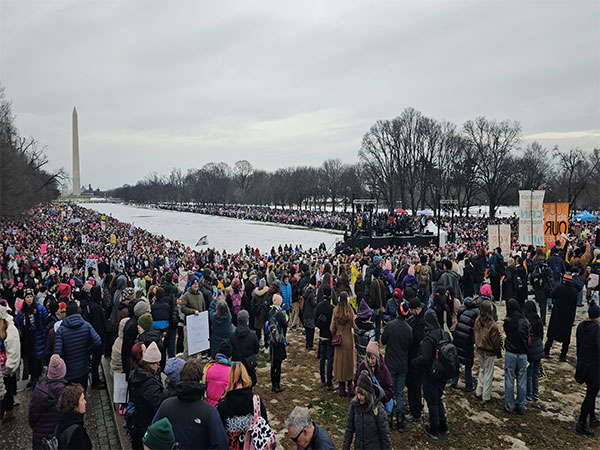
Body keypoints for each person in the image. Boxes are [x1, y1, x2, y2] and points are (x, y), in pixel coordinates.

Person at [152, 358, 228, 449]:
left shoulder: (166, 406)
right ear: (200, 380)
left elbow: (152, 436)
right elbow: (221, 444)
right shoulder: (209, 412)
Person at [412, 309, 450, 440]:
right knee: (438, 398)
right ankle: (443, 424)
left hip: (432, 373)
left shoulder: (429, 338)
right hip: (444, 372)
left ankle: (434, 428)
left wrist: (414, 362)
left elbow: (425, 358)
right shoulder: (444, 334)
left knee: (432, 401)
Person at [217, 362, 270, 450]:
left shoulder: (222, 406)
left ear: (230, 379)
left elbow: (219, 434)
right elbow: (265, 424)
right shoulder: (256, 401)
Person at [54, 301, 101, 391]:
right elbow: (98, 341)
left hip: (68, 371)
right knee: (82, 393)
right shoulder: (86, 326)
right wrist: (88, 350)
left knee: (70, 397)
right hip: (83, 368)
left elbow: (57, 353)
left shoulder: (61, 330)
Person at [381, 299, 412, 431]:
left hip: (391, 364)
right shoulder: (409, 329)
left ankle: (389, 418)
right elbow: (409, 346)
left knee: (389, 391)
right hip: (403, 364)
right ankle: (400, 420)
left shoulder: (390, 326)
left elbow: (383, 341)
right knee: (400, 393)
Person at [342, 370, 392, 450]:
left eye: (362, 394)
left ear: (368, 394)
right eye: (357, 393)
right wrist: (345, 447)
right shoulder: (354, 405)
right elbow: (349, 429)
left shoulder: (379, 409)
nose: (359, 397)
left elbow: (385, 436)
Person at [129, 341, 166, 449]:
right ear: (150, 363)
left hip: (140, 419)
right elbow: (156, 402)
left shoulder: (138, 373)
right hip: (146, 421)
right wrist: (167, 392)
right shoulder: (149, 382)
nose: (158, 367)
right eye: (157, 363)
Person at [28, 354, 68, 449]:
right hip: (57, 438)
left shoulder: (38, 392)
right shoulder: (66, 394)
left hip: (40, 438)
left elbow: (32, 417)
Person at [353, 341, 394, 427]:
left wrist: (379, 398)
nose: (370, 361)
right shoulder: (362, 366)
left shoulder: (384, 370)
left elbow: (390, 389)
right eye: (368, 358)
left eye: (373, 358)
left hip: (379, 404)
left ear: (377, 358)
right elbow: (356, 382)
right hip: (364, 402)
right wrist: (361, 394)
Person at [574, 302, 600, 436]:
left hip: (582, 364)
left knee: (591, 392)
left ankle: (593, 418)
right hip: (594, 367)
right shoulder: (596, 330)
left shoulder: (581, 326)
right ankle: (582, 423)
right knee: (591, 394)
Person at [15, 289, 48, 387]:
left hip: (39, 337)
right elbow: (20, 323)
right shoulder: (22, 312)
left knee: (38, 360)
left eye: (30, 297)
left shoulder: (40, 309)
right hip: (28, 340)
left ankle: (37, 377)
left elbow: (44, 320)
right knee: (30, 360)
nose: (29, 299)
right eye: (27, 297)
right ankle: (32, 378)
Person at [503, 299, 530, 415]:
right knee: (521, 380)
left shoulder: (508, 321)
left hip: (510, 353)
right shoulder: (525, 321)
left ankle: (509, 405)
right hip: (523, 354)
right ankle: (521, 405)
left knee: (509, 379)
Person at [545, 273, 579, 361]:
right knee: (566, 337)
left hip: (557, 314)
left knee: (551, 334)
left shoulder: (559, 288)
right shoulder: (574, 292)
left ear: (563, 280)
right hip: (568, 316)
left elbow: (552, 295)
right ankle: (563, 355)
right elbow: (574, 305)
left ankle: (546, 351)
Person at [473, 300, 502, 403]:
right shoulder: (492, 325)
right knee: (488, 373)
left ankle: (478, 391)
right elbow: (496, 341)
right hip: (489, 351)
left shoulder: (477, 320)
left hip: (480, 349)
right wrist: (498, 352)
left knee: (482, 370)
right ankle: (486, 396)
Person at [451, 297, 479, 391]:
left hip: (458, 334)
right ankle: (468, 385)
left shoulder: (462, 309)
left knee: (457, 360)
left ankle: (454, 381)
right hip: (467, 338)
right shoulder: (476, 313)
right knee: (468, 363)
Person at [331, 292, 356, 397]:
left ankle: (341, 389)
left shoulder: (335, 311)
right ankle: (350, 387)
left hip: (339, 339)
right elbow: (354, 325)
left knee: (340, 364)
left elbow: (332, 327)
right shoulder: (350, 311)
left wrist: (335, 334)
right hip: (348, 339)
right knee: (349, 363)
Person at [405, 297, 425, 422]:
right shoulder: (421, 317)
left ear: (417, 309)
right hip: (416, 358)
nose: (411, 313)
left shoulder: (421, 323)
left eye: (412, 310)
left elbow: (416, 339)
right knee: (415, 386)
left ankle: (415, 412)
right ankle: (418, 407)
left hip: (415, 358)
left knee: (414, 386)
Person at [0, 301, 20, 424]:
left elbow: (14, 350)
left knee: (6, 392)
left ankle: (7, 413)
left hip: (6, 369)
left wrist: (9, 367)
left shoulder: (10, 329)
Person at [55, 384, 92, 450]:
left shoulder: (63, 419)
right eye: (82, 400)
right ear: (75, 405)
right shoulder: (76, 432)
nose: (85, 402)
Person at [229, 309, 259, 386]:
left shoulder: (232, 336)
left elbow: (231, 350)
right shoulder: (252, 335)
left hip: (237, 364)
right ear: (247, 321)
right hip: (249, 364)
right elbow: (256, 350)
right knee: (251, 382)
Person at [523, 301, 545, 402]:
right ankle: (535, 393)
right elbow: (542, 334)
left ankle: (528, 394)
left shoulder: (526, 321)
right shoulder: (538, 320)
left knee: (529, 373)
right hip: (539, 349)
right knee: (535, 373)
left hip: (530, 349)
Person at [315, 284, 335, 390]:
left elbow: (315, 321)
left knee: (322, 358)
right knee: (330, 358)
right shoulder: (332, 308)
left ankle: (323, 379)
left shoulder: (319, 306)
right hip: (329, 335)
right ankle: (329, 382)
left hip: (322, 334)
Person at [180, 277, 206, 358]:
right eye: (194, 284)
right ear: (191, 285)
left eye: (197, 284)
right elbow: (183, 308)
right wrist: (193, 311)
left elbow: (203, 306)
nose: (196, 285)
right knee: (188, 346)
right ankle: (186, 363)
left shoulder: (200, 294)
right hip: (189, 324)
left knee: (196, 346)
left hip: (198, 324)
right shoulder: (186, 295)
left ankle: (194, 364)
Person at [268, 292, 287, 393]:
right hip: (278, 340)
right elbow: (284, 324)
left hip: (272, 340)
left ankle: (273, 384)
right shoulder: (279, 313)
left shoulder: (270, 311)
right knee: (278, 364)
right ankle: (277, 385)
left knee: (272, 363)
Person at [88, 285, 106, 389]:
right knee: (96, 360)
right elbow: (98, 325)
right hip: (97, 339)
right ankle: (95, 381)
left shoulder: (94, 305)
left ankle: (97, 379)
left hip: (96, 338)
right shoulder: (96, 308)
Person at [204, 341, 234, 406]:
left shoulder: (208, 367)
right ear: (230, 356)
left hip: (208, 406)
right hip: (224, 407)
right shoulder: (233, 372)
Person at [353, 299, 375, 366]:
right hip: (369, 361)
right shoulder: (371, 331)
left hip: (359, 359)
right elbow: (373, 350)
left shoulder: (356, 327)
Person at [302, 276, 318, 351]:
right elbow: (313, 303)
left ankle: (307, 343)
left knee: (307, 330)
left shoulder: (305, 290)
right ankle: (310, 344)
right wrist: (317, 301)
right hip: (311, 313)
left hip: (305, 312)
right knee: (311, 330)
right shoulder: (312, 292)